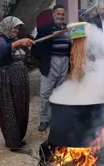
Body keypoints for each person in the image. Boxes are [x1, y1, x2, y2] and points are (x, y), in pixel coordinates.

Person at [0, 16, 34, 153]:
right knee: (8, 109)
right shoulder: (0, 38)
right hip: (5, 79)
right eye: (14, 27)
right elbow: (3, 50)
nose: (16, 30)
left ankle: (18, 137)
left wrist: (22, 44)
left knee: (19, 108)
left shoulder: (11, 39)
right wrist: (20, 42)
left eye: (17, 28)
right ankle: (13, 142)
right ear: (7, 26)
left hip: (16, 80)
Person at [31, 4, 72, 132]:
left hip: (64, 63)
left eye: (62, 14)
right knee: (45, 94)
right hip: (50, 64)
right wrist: (42, 63)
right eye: (58, 14)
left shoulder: (68, 29)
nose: (60, 16)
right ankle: (44, 120)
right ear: (53, 14)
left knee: (61, 93)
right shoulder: (46, 29)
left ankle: (59, 119)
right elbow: (35, 46)